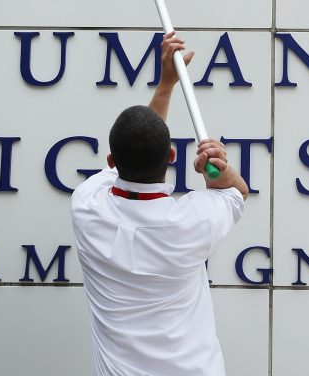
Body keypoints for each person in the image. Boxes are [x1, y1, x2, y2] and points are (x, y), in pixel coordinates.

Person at [71, 32, 249, 376]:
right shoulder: (194, 221)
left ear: (111, 159)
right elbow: (235, 193)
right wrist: (216, 169)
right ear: (171, 156)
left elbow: (137, 144)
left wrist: (166, 84)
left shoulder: (86, 206)